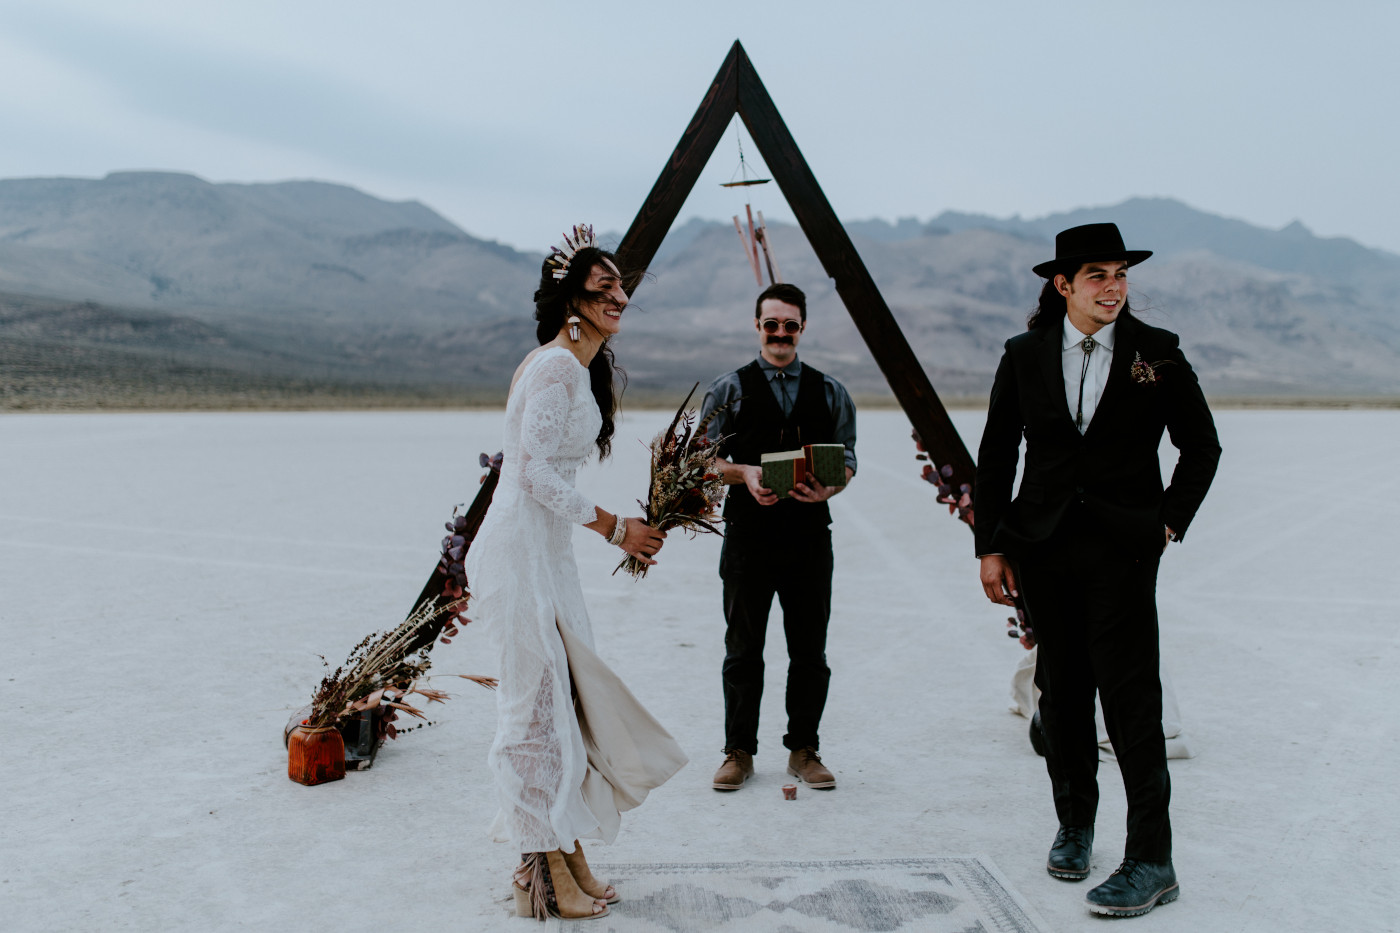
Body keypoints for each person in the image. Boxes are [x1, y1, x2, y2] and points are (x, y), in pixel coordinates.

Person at [974, 223, 1221, 918]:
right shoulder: (1023, 355)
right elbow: (996, 454)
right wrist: (990, 546)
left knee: (1132, 700)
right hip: (1043, 547)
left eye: (1121, 274)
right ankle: (1076, 824)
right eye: (1097, 275)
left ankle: (1151, 857)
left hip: (1123, 549)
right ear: (1063, 285)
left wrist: (1168, 519)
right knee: (1062, 691)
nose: (1114, 287)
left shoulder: (1157, 353)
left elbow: (1201, 446)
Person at [463, 226, 687, 922]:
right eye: (603, 288)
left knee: (559, 702)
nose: (619, 296)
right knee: (530, 709)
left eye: (622, 286)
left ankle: (567, 847)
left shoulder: (576, 367)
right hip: (523, 547)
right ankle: (539, 867)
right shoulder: (557, 367)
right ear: (573, 300)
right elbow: (529, 472)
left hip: (547, 549)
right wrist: (617, 527)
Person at [698, 282, 857, 792]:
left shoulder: (831, 390)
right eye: (772, 324)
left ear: (803, 327)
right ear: (757, 325)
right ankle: (737, 751)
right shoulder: (729, 390)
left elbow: (849, 457)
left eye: (790, 324)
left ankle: (803, 750)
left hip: (810, 536)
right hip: (748, 537)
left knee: (810, 650)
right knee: (743, 648)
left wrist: (831, 484)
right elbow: (701, 460)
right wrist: (743, 473)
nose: (781, 333)